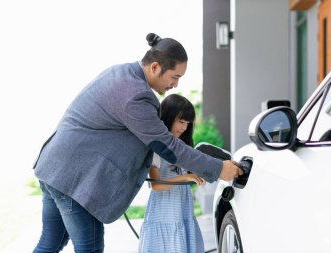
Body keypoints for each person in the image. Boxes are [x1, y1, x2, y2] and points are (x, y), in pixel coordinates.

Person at [32, 33, 243, 253]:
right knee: (89, 248)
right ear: (154, 67)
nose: (176, 84)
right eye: (174, 76)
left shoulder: (121, 74)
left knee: (51, 242)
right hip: (73, 179)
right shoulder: (136, 95)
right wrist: (218, 168)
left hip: (54, 167)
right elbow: (167, 145)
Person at [138, 94, 206, 253]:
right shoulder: (157, 147)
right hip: (164, 210)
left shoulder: (181, 145)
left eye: (187, 123)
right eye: (181, 121)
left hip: (182, 208)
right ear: (168, 117)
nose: (184, 127)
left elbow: (185, 172)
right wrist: (186, 177)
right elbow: (155, 185)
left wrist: (196, 174)